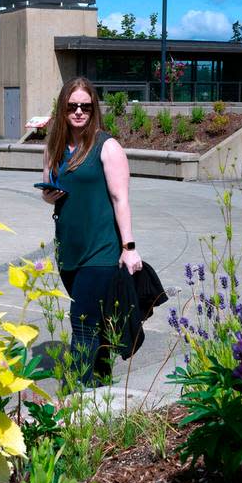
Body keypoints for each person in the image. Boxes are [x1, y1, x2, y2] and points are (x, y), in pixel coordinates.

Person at [41, 77, 142, 387]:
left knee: (82, 323)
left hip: (101, 250)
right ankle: (100, 391)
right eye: (73, 106)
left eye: (86, 106)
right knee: (95, 326)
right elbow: (47, 189)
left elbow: (120, 198)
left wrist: (129, 246)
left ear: (93, 108)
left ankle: (76, 395)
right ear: (63, 109)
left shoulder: (106, 146)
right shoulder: (56, 147)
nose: (79, 111)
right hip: (69, 250)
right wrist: (49, 195)